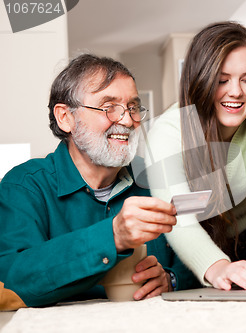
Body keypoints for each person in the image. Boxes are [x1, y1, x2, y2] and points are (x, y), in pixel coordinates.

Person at [0, 54, 197, 308]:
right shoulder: (23, 186)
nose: (127, 120)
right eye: (109, 107)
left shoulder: (158, 178)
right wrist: (112, 236)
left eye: (133, 107)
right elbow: (11, 279)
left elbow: (197, 254)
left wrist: (171, 278)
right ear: (65, 117)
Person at [145, 21, 246, 290]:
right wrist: (218, 268)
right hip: (195, 243)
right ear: (201, 80)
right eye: (222, 80)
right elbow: (178, 215)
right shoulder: (168, 131)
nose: (236, 91)